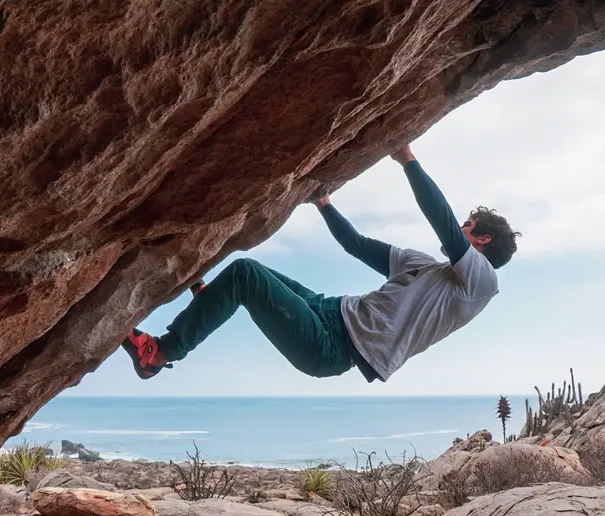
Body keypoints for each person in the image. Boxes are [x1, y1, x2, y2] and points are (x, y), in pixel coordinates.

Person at [121, 144, 521, 383]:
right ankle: (212, 302)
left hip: (332, 349)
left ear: (481, 239)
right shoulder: (423, 264)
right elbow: (356, 244)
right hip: (328, 308)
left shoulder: (480, 283)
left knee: (245, 274)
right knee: (244, 271)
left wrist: (407, 160)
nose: (463, 227)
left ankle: (160, 353)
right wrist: (325, 203)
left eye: (471, 225)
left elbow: (445, 224)